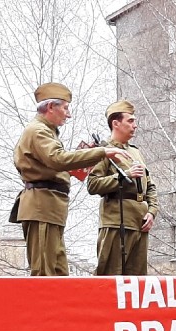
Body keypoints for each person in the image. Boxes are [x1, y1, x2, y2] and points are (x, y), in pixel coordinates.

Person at [13, 82, 129, 276]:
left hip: (50, 208)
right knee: (45, 273)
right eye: (65, 108)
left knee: (58, 274)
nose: (69, 114)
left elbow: (55, 162)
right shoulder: (38, 131)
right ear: (51, 107)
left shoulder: (45, 132)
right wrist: (102, 152)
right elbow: (58, 159)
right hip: (42, 207)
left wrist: (87, 155)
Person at [87, 100, 158, 276]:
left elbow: (149, 185)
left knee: (137, 283)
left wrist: (152, 211)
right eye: (130, 121)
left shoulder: (135, 152)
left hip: (139, 223)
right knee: (110, 277)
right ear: (116, 123)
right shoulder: (104, 151)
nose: (135, 125)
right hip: (116, 222)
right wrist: (122, 175)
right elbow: (93, 184)